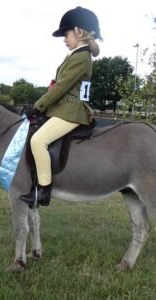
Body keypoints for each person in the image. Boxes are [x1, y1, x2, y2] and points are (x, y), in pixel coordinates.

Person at [21, 6, 101, 207]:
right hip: (64, 109)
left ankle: (44, 191)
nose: (64, 39)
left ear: (79, 32)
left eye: (66, 34)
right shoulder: (76, 55)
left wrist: (38, 106)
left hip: (70, 111)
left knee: (38, 141)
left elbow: (61, 87)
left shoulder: (81, 57)